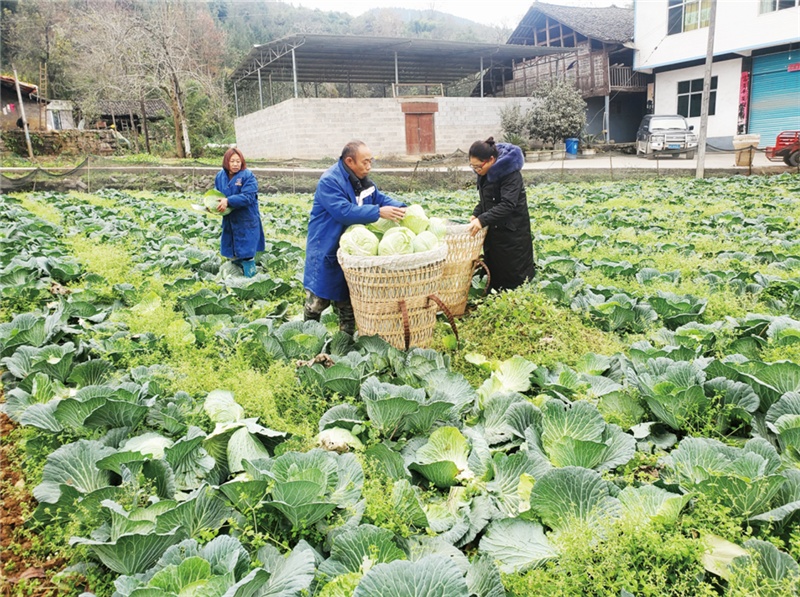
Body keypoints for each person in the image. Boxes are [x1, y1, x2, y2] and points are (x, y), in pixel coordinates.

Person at [303, 140, 406, 335]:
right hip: (326, 245)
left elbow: (379, 198)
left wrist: (402, 207)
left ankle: (346, 342)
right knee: (317, 301)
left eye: (371, 161)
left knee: (348, 300)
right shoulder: (330, 181)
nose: (369, 166)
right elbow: (344, 211)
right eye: (365, 162)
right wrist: (378, 212)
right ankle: (308, 336)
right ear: (349, 161)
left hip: (351, 250)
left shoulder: (362, 180)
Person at [467, 137, 535, 292]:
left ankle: (515, 298)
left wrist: (482, 220)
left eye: (478, 166)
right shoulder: (485, 170)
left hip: (513, 230)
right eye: (472, 166)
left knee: (514, 271)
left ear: (491, 159)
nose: (476, 170)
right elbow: (486, 199)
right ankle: (495, 291)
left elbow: (507, 204)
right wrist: (477, 214)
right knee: (496, 266)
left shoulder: (510, 174)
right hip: (496, 228)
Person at [214, 148, 265, 278]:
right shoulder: (220, 176)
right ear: (226, 162)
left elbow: (248, 196)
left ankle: (251, 281)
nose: (236, 164)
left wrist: (228, 201)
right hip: (230, 219)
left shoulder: (248, 176)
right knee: (232, 252)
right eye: (232, 161)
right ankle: (235, 281)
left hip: (246, 219)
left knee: (247, 254)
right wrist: (214, 205)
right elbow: (217, 193)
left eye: (238, 161)